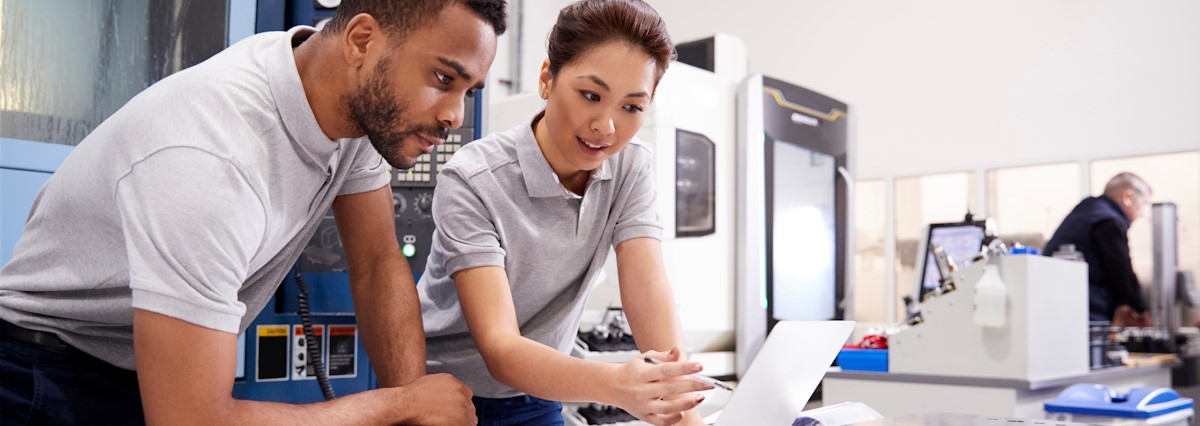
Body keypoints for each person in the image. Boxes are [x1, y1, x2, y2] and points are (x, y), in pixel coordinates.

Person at [0, 1, 505, 424]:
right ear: (361, 40)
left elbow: (377, 263)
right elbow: (191, 419)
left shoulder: (347, 102)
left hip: (141, 369)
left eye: (468, 92)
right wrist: (396, 404)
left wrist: (419, 407)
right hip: (44, 374)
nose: (454, 116)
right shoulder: (210, 157)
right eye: (443, 78)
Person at [417, 1, 709, 425]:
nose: (606, 126)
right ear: (546, 79)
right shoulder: (474, 178)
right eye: (591, 95)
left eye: (631, 107)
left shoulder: (630, 167)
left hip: (539, 391)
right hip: (445, 394)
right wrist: (617, 386)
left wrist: (680, 405)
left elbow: (646, 287)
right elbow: (500, 348)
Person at [1044, 172, 1153, 326]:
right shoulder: (1107, 221)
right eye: (1143, 203)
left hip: (1055, 304)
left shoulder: (1086, 211)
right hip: (1087, 310)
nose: (1142, 212)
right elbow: (1120, 268)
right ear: (1128, 198)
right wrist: (1139, 309)